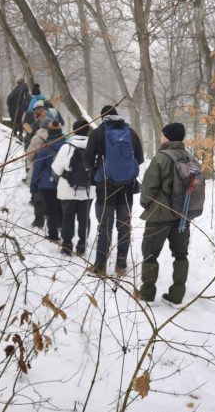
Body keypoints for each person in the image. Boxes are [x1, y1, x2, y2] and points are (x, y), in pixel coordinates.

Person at [84, 105, 143, 277]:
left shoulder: (98, 133)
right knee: (124, 226)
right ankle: (121, 266)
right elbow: (139, 159)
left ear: (102, 117)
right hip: (127, 188)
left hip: (105, 187)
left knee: (105, 227)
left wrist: (97, 171)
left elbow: (87, 159)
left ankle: (100, 266)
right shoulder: (130, 133)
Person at [138, 122, 192, 304]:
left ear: (167, 137)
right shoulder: (190, 158)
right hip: (182, 216)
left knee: (150, 254)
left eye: (162, 134)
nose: (160, 137)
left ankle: (146, 294)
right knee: (181, 254)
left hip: (159, 216)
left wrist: (146, 204)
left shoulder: (161, 158)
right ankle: (177, 296)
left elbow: (148, 187)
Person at [51, 118, 95, 256]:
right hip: (88, 191)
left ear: (74, 130)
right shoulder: (94, 147)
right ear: (88, 131)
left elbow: (57, 169)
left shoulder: (67, 147)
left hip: (67, 191)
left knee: (67, 218)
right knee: (84, 218)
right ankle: (82, 246)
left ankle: (67, 246)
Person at [29, 119, 64, 242]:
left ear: (49, 132)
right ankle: (63, 230)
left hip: (47, 184)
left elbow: (37, 169)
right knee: (61, 207)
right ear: (61, 132)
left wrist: (33, 187)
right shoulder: (67, 147)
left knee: (51, 210)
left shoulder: (44, 149)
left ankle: (53, 235)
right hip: (63, 183)